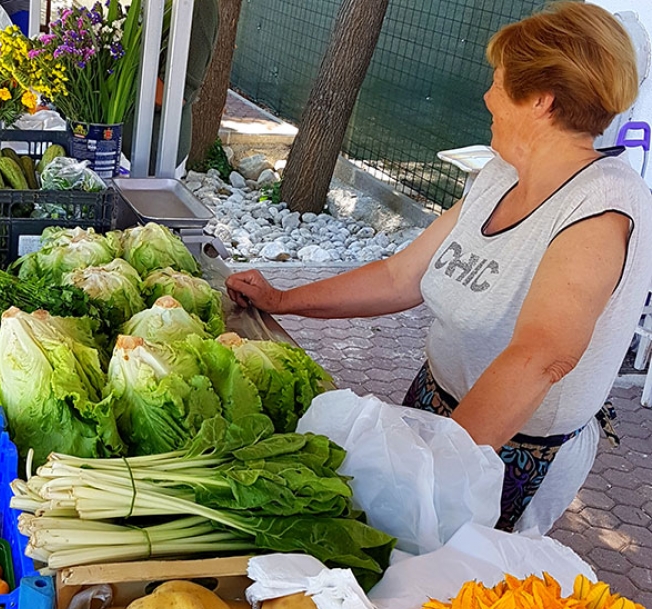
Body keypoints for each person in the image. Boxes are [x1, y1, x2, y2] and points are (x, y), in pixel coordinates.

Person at [225, 2, 652, 534]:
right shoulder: (501, 175)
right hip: (432, 406)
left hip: (509, 451)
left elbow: (541, 357)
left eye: (498, 82)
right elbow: (400, 277)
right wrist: (283, 301)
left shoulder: (601, 205)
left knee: (444, 590)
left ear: (541, 100)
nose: (486, 96)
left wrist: (426, 469)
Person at [122, 0, 220, 174]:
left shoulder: (198, 7)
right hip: (119, 142)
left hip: (153, 155)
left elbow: (170, 97)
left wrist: (114, 72)